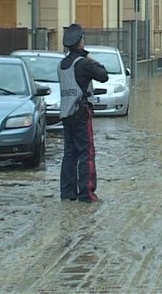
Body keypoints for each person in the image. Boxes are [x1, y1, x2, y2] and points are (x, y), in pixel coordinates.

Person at [58, 23, 109, 203]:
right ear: (80, 43)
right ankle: (87, 194)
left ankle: (67, 193)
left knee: (69, 154)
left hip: (65, 113)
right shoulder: (84, 63)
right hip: (81, 112)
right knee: (86, 153)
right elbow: (104, 75)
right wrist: (90, 57)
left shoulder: (62, 64)